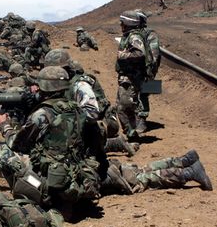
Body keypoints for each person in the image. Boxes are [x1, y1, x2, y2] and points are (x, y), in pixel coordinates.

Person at [0, 66, 103, 220]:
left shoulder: (43, 114)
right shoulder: (78, 109)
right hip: (76, 176)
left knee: (3, 152)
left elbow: (17, 144)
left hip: (51, 184)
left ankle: (38, 199)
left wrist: (4, 125)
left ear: (44, 88)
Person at [43, 49, 139, 157]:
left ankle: (114, 144)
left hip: (103, 123)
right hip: (95, 122)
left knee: (71, 151)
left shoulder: (80, 84)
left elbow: (91, 115)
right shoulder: (67, 80)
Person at [101, 149, 213, 195]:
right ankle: (185, 160)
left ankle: (189, 173)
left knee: (137, 180)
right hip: (101, 166)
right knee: (138, 171)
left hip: (100, 175)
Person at [115, 10, 147, 140]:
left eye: (122, 22)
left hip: (131, 78)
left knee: (124, 107)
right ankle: (132, 133)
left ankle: (132, 135)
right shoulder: (129, 35)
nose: (120, 25)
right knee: (124, 107)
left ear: (127, 23)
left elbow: (140, 53)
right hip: (128, 78)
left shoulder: (134, 37)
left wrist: (123, 55)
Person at [134, 9, 162, 133]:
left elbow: (155, 56)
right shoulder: (132, 34)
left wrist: (150, 72)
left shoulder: (150, 34)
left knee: (143, 94)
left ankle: (142, 120)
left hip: (144, 71)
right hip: (132, 71)